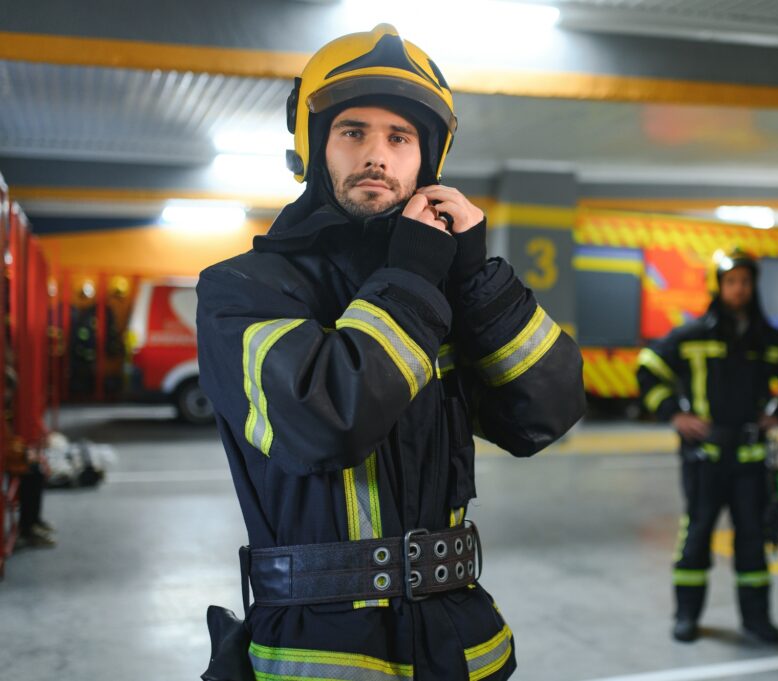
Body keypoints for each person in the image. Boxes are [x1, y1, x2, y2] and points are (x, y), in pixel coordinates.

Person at [196, 24, 585, 681]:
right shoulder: (243, 288)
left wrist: (475, 283)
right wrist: (410, 279)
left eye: (399, 137)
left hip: (463, 646)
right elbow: (327, 422)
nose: (378, 153)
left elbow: (544, 415)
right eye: (353, 132)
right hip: (322, 650)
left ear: (425, 160)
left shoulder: (445, 292)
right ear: (315, 147)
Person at [635, 248, 778, 645]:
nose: (739, 289)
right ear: (720, 286)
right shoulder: (693, 335)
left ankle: (756, 621)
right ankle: (686, 617)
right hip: (704, 461)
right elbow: (648, 366)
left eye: (745, 282)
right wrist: (674, 415)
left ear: (753, 286)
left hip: (750, 463)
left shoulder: (768, 340)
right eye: (732, 282)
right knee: (695, 538)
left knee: (752, 541)